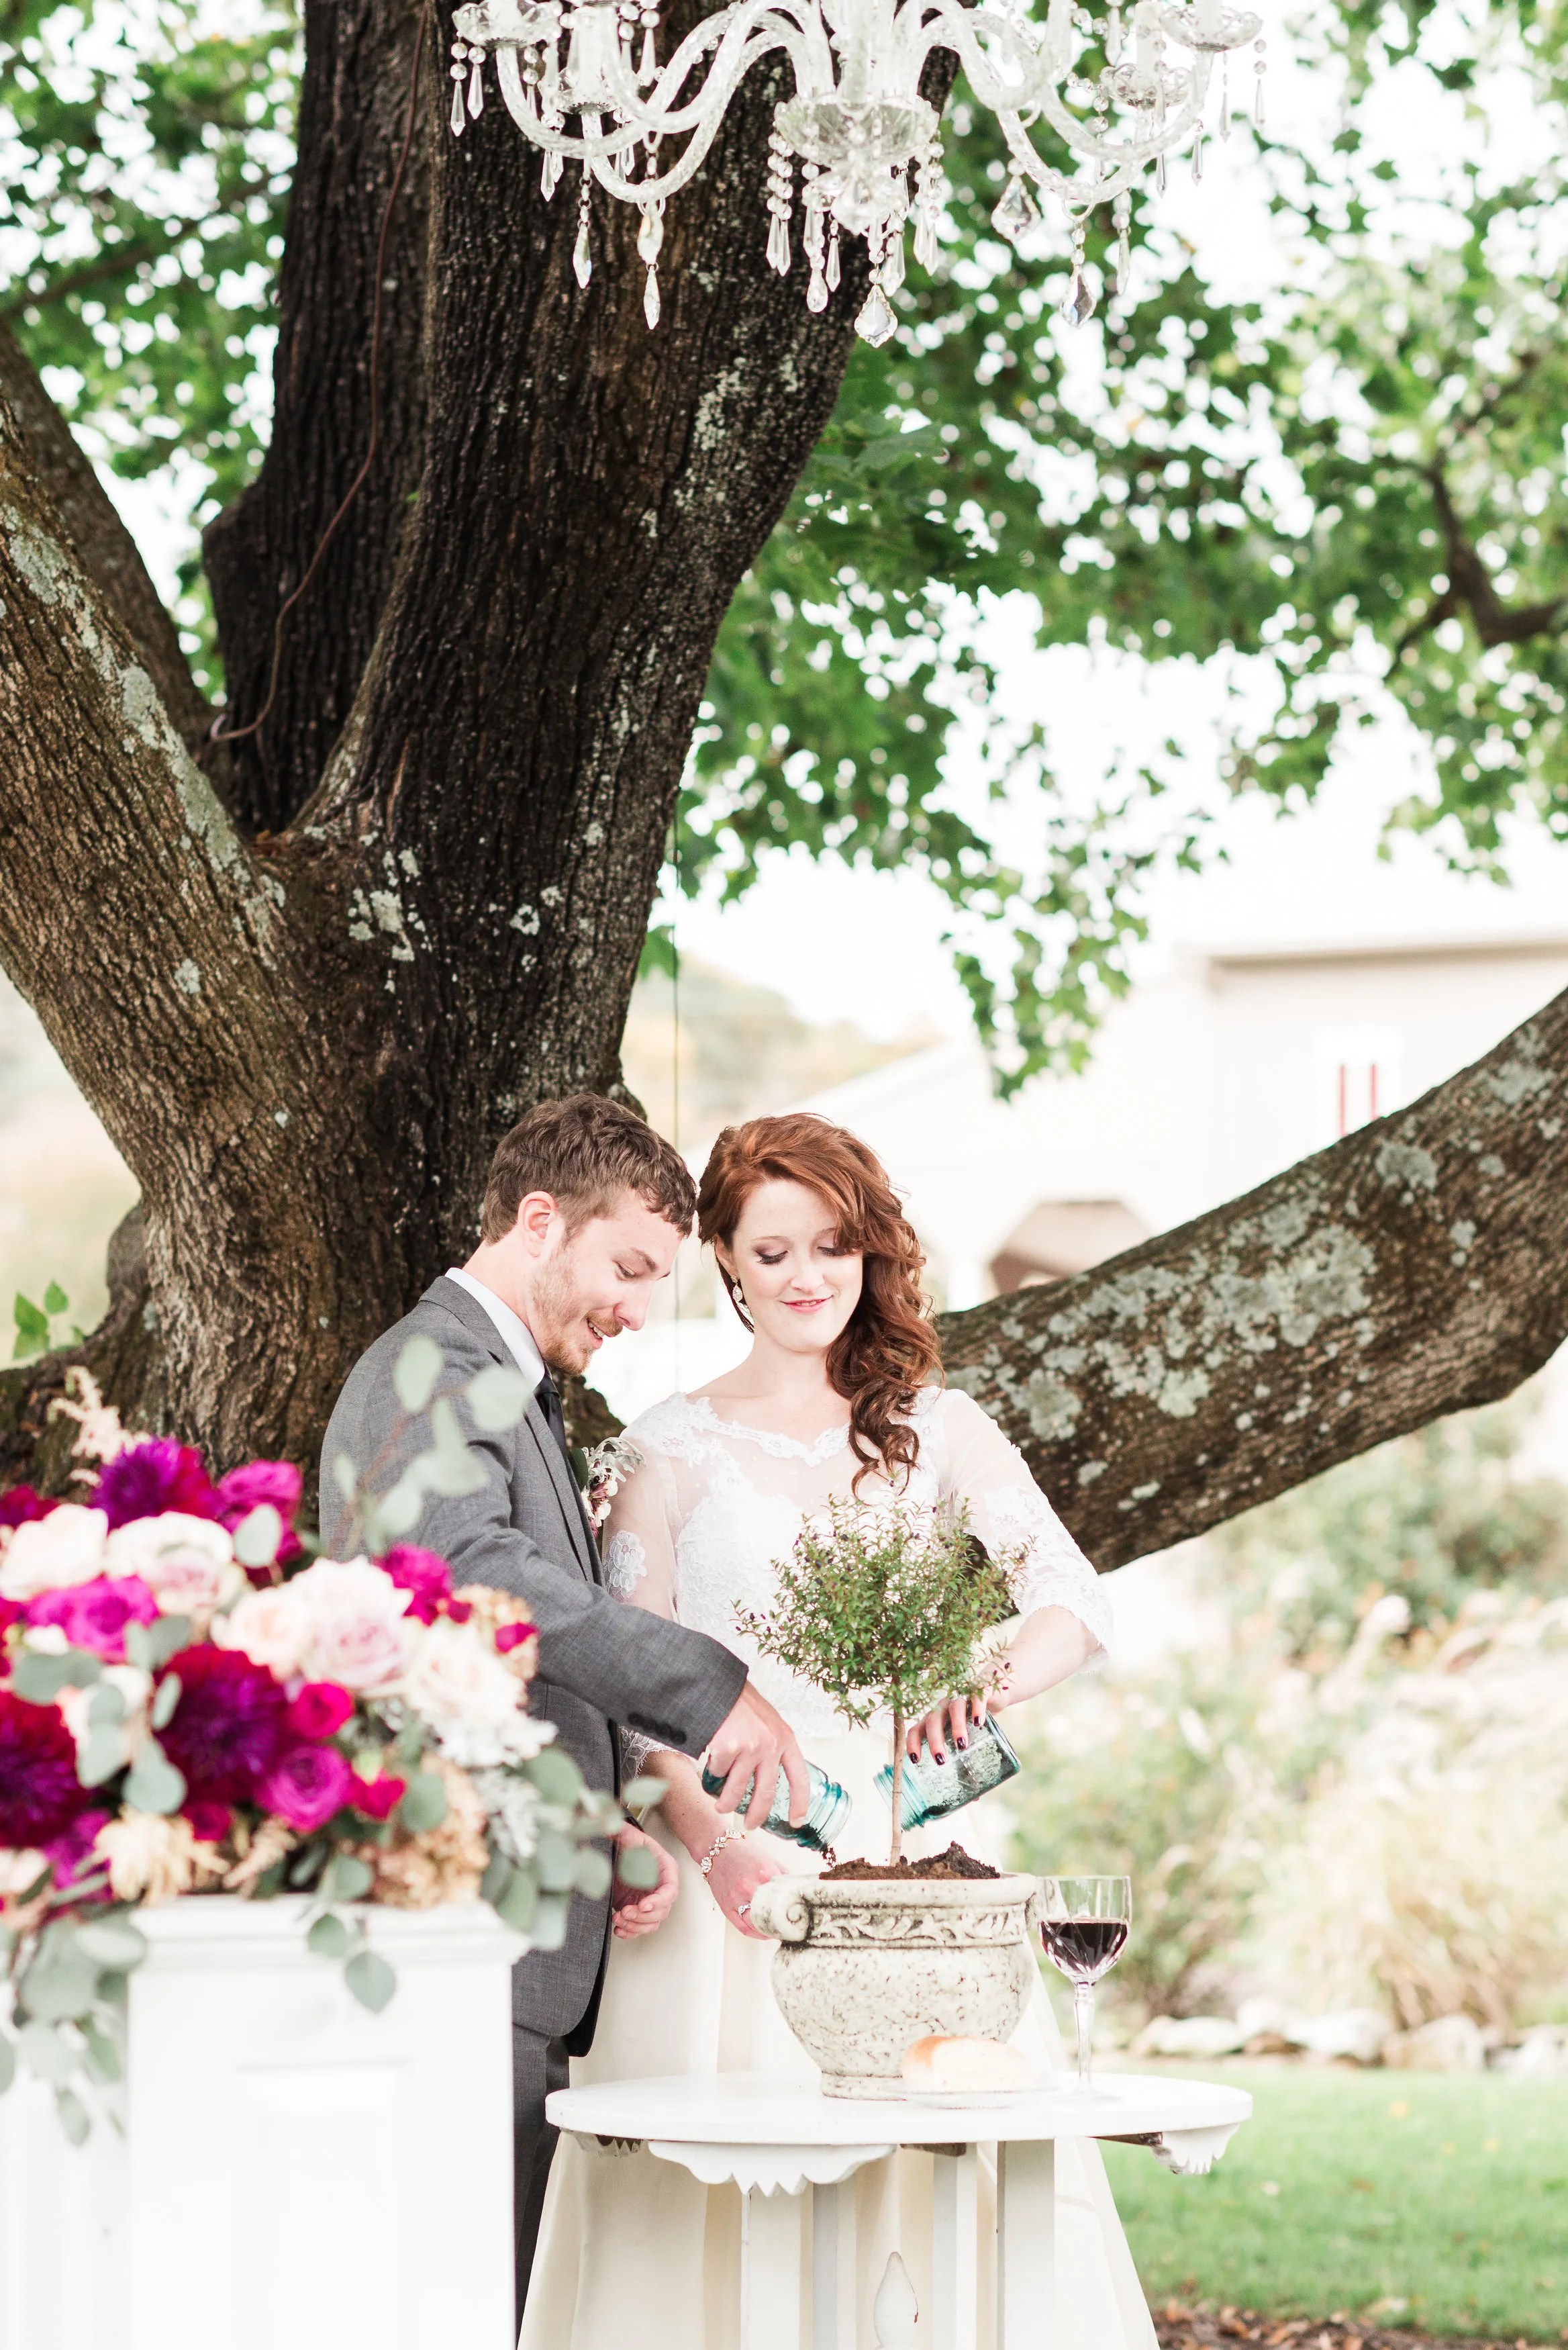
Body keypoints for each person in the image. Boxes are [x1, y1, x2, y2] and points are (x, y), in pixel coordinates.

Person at [521, 1111, 1157, 2350]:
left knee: (933, 2181)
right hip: (731, 1876)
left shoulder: (942, 1430)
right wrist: (711, 1843)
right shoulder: (667, 1448)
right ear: (725, 1262)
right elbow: (635, 1697)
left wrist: (985, 1678)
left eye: (833, 1246)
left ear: (869, 1254)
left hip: (909, 1868)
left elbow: (1077, 1603)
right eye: (772, 1253)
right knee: (705, 2208)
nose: (808, 1278)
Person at [318, 1094, 809, 2330]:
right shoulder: (432, 1370)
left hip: (516, 1915)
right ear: (540, 1221)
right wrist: (713, 1687)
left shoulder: (508, 1384)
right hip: (457, 1937)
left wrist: (597, 1825)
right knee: (458, 2304)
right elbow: (473, 1578)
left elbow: (481, 1682)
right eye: (629, 1268)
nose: (640, 1308)